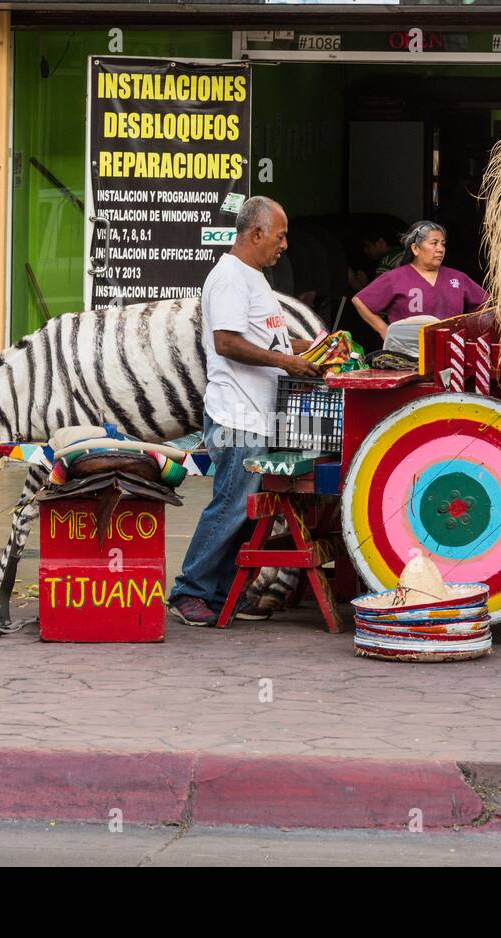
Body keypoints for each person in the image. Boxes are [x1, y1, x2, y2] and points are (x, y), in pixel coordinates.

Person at [168, 196, 321, 627]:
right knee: (231, 507)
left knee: (246, 508)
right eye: (280, 235)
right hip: (236, 415)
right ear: (255, 234)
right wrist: (286, 363)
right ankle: (189, 591)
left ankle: (220, 596)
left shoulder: (254, 278)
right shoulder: (230, 279)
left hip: (257, 414)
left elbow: (267, 340)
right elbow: (227, 343)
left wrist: (309, 350)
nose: (285, 244)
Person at [351, 220, 489, 343]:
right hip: (407, 354)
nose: (440, 249)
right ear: (415, 249)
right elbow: (360, 301)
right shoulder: (395, 277)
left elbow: (486, 305)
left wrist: (467, 334)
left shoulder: (458, 278)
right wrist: (385, 331)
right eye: (434, 243)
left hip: (451, 354)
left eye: (443, 244)